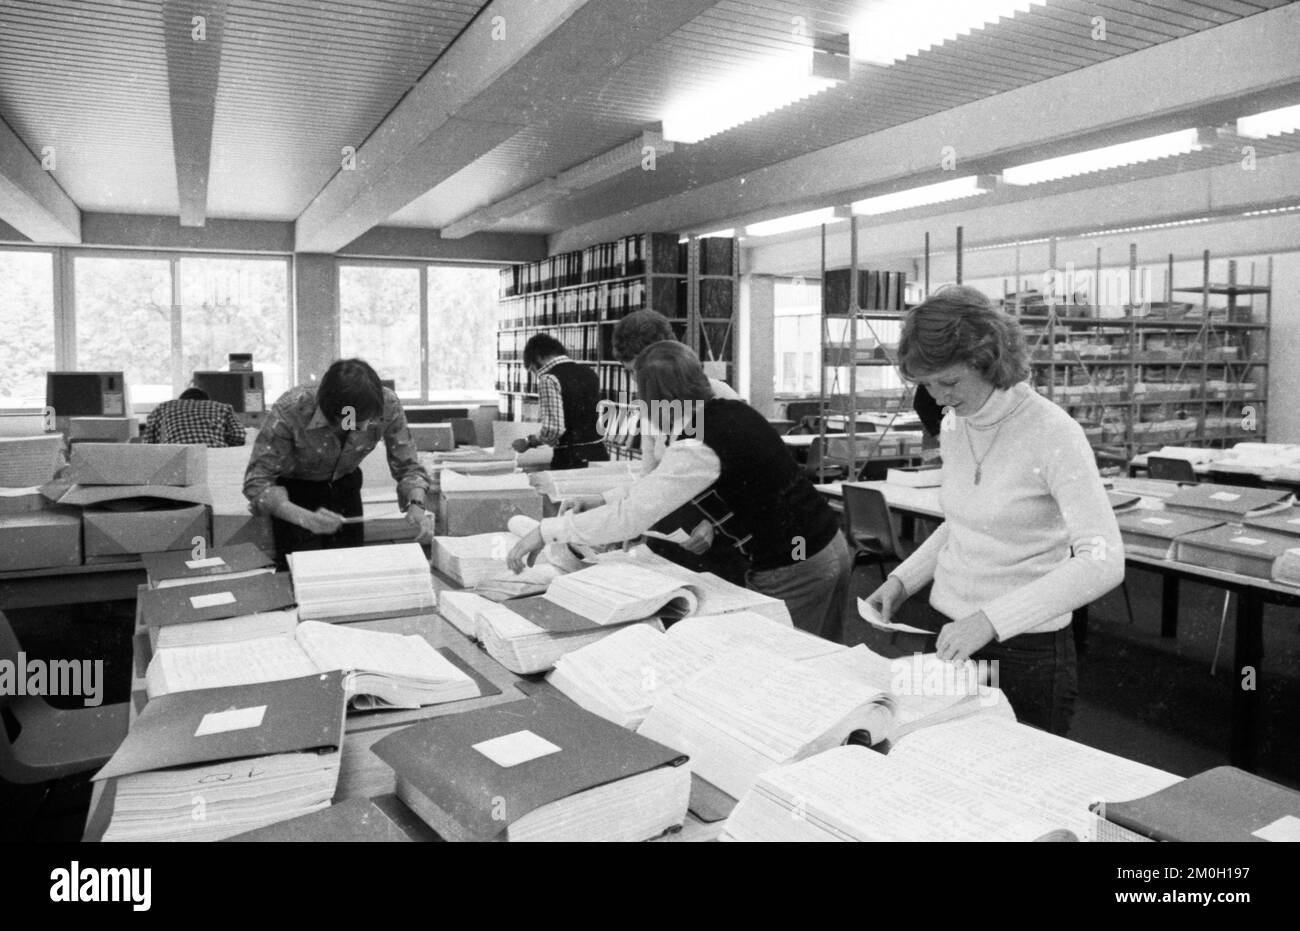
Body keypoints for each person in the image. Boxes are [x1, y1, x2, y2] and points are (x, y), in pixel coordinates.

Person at [865, 286, 1123, 735]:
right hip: (948, 633)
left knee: (1020, 786)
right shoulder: (954, 423)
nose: (939, 398)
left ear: (988, 361)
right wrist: (902, 579)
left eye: (948, 382)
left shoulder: (1052, 432)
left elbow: (1103, 559)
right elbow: (964, 520)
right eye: (926, 385)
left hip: (1025, 647)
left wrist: (990, 621)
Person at [507, 340, 852, 642]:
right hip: (828, 545)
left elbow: (631, 517)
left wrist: (546, 530)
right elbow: (660, 484)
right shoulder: (725, 410)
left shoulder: (699, 445)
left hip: (796, 564)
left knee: (780, 666)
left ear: (657, 400)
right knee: (825, 653)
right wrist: (604, 499)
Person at [243, 358, 433, 568]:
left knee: (348, 568)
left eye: (369, 419)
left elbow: (408, 465)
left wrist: (417, 504)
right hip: (298, 496)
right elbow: (257, 482)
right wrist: (305, 518)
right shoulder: (291, 410)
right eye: (355, 422)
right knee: (302, 573)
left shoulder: (386, 404)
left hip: (345, 488)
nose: (367, 427)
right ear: (329, 411)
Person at [610, 309, 749, 585]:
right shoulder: (654, 405)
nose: (639, 383)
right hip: (670, 529)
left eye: (642, 371)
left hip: (716, 533)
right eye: (632, 373)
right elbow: (650, 474)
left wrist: (715, 524)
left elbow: (749, 481)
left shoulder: (719, 398)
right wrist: (634, 520)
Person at [511, 333, 609, 470]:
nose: (536, 376)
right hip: (599, 455)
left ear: (538, 357)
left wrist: (529, 442)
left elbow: (553, 430)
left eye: (533, 370)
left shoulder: (549, 379)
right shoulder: (589, 373)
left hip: (570, 459)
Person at [142, 387, 245, 448]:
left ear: (181, 400)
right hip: (215, 453)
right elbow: (239, 436)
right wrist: (221, 437)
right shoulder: (223, 407)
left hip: (178, 453)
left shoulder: (163, 407)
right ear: (207, 401)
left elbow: (148, 443)